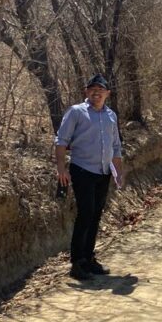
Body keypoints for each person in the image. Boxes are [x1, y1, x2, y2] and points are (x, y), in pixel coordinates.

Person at [55, 74, 124, 280]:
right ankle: (77, 263)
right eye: (93, 89)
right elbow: (61, 140)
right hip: (82, 169)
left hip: (104, 172)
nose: (97, 93)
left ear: (107, 94)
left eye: (101, 90)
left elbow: (116, 146)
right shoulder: (76, 112)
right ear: (86, 92)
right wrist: (61, 168)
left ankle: (89, 258)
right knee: (85, 213)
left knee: (95, 215)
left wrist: (119, 173)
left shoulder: (111, 115)